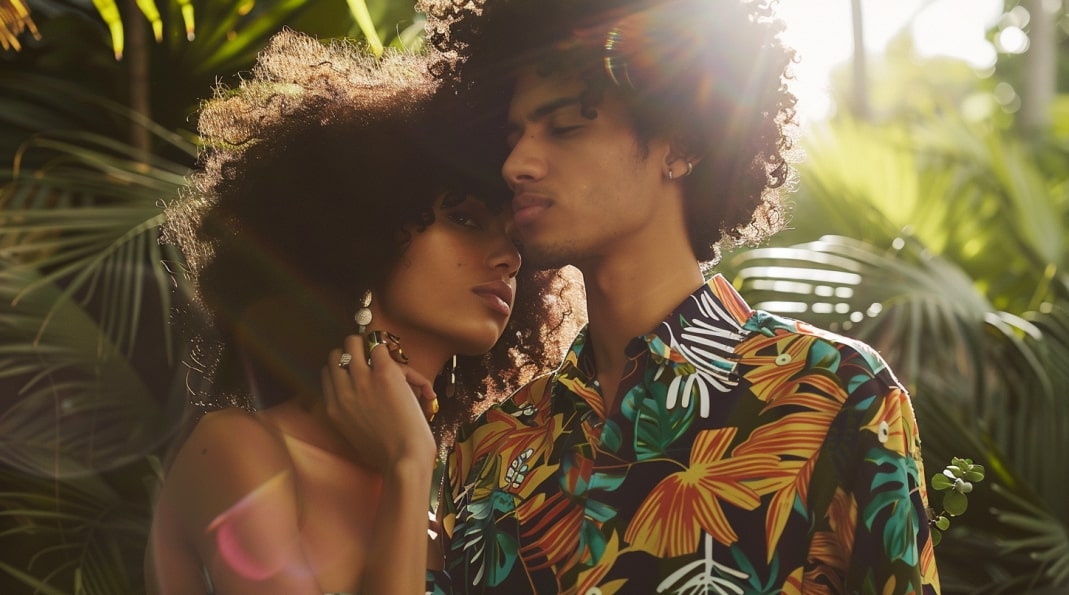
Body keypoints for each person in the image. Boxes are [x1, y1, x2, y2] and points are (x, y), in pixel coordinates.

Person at [417, 0, 941, 592]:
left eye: (565, 127)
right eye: (513, 136)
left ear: (682, 143)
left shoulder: (834, 394)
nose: (517, 164)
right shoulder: (489, 447)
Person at [144, 30, 573, 594]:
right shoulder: (240, 450)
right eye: (465, 219)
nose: (508, 258)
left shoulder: (451, 507)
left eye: (517, 238)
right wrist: (408, 464)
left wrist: (410, 467)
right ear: (360, 237)